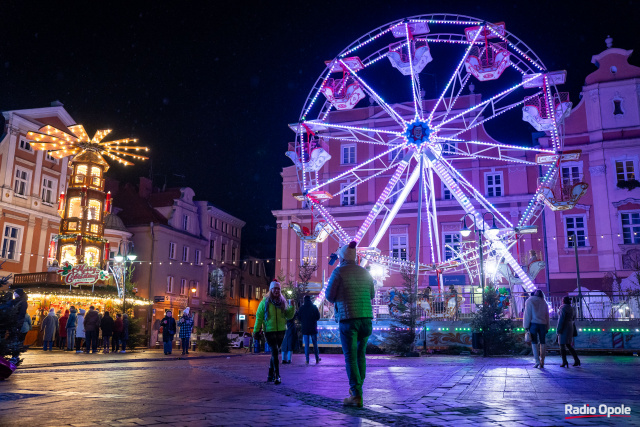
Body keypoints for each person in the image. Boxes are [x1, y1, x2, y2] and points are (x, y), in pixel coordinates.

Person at [326, 241, 375, 408]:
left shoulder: (338, 272)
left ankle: (355, 394)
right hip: (366, 319)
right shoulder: (365, 272)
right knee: (361, 354)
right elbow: (372, 294)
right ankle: (357, 390)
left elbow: (329, 296)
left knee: (351, 357)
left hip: (348, 319)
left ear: (341, 257)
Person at [253, 281, 295, 385]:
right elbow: (259, 317)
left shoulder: (282, 302)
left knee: (274, 353)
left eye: (278, 289)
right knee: (275, 351)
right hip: (269, 330)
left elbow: (288, 316)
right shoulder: (264, 302)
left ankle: (270, 375)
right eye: (274, 288)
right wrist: (255, 331)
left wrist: (292, 307)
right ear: (271, 290)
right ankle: (277, 376)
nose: (276, 290)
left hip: (281, 330)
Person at [523, 289, 550, 368]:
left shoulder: (530, 300)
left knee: (534, 343)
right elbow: (547, 315)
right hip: (543, 324)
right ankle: (542, 361)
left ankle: (537, 361)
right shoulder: (544, 302)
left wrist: (526, 326)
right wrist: (547, 326)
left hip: (533, 324)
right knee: (543, 343)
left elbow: (527, 314)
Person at [557, 296, 581, 367]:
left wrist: (558, 329)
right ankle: (576, 359)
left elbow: (561, 319)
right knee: (568, 344)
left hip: (564, 327)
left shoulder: (563, 308)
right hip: (570, 326)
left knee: (561, 345)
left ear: (563, 301)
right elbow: (573, 318)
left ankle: (564, 361)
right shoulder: (571, 308)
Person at [297, 295, 321, 364]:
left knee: (306, 345)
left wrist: (303, 321)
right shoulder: (314, 307)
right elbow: (318, 317)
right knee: (315, 344)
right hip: (313, 328)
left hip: (305, 328)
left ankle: (307, 360)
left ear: (304, 300)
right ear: (310, 300)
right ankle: (317, 358)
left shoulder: (302, 308)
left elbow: (299, 318)